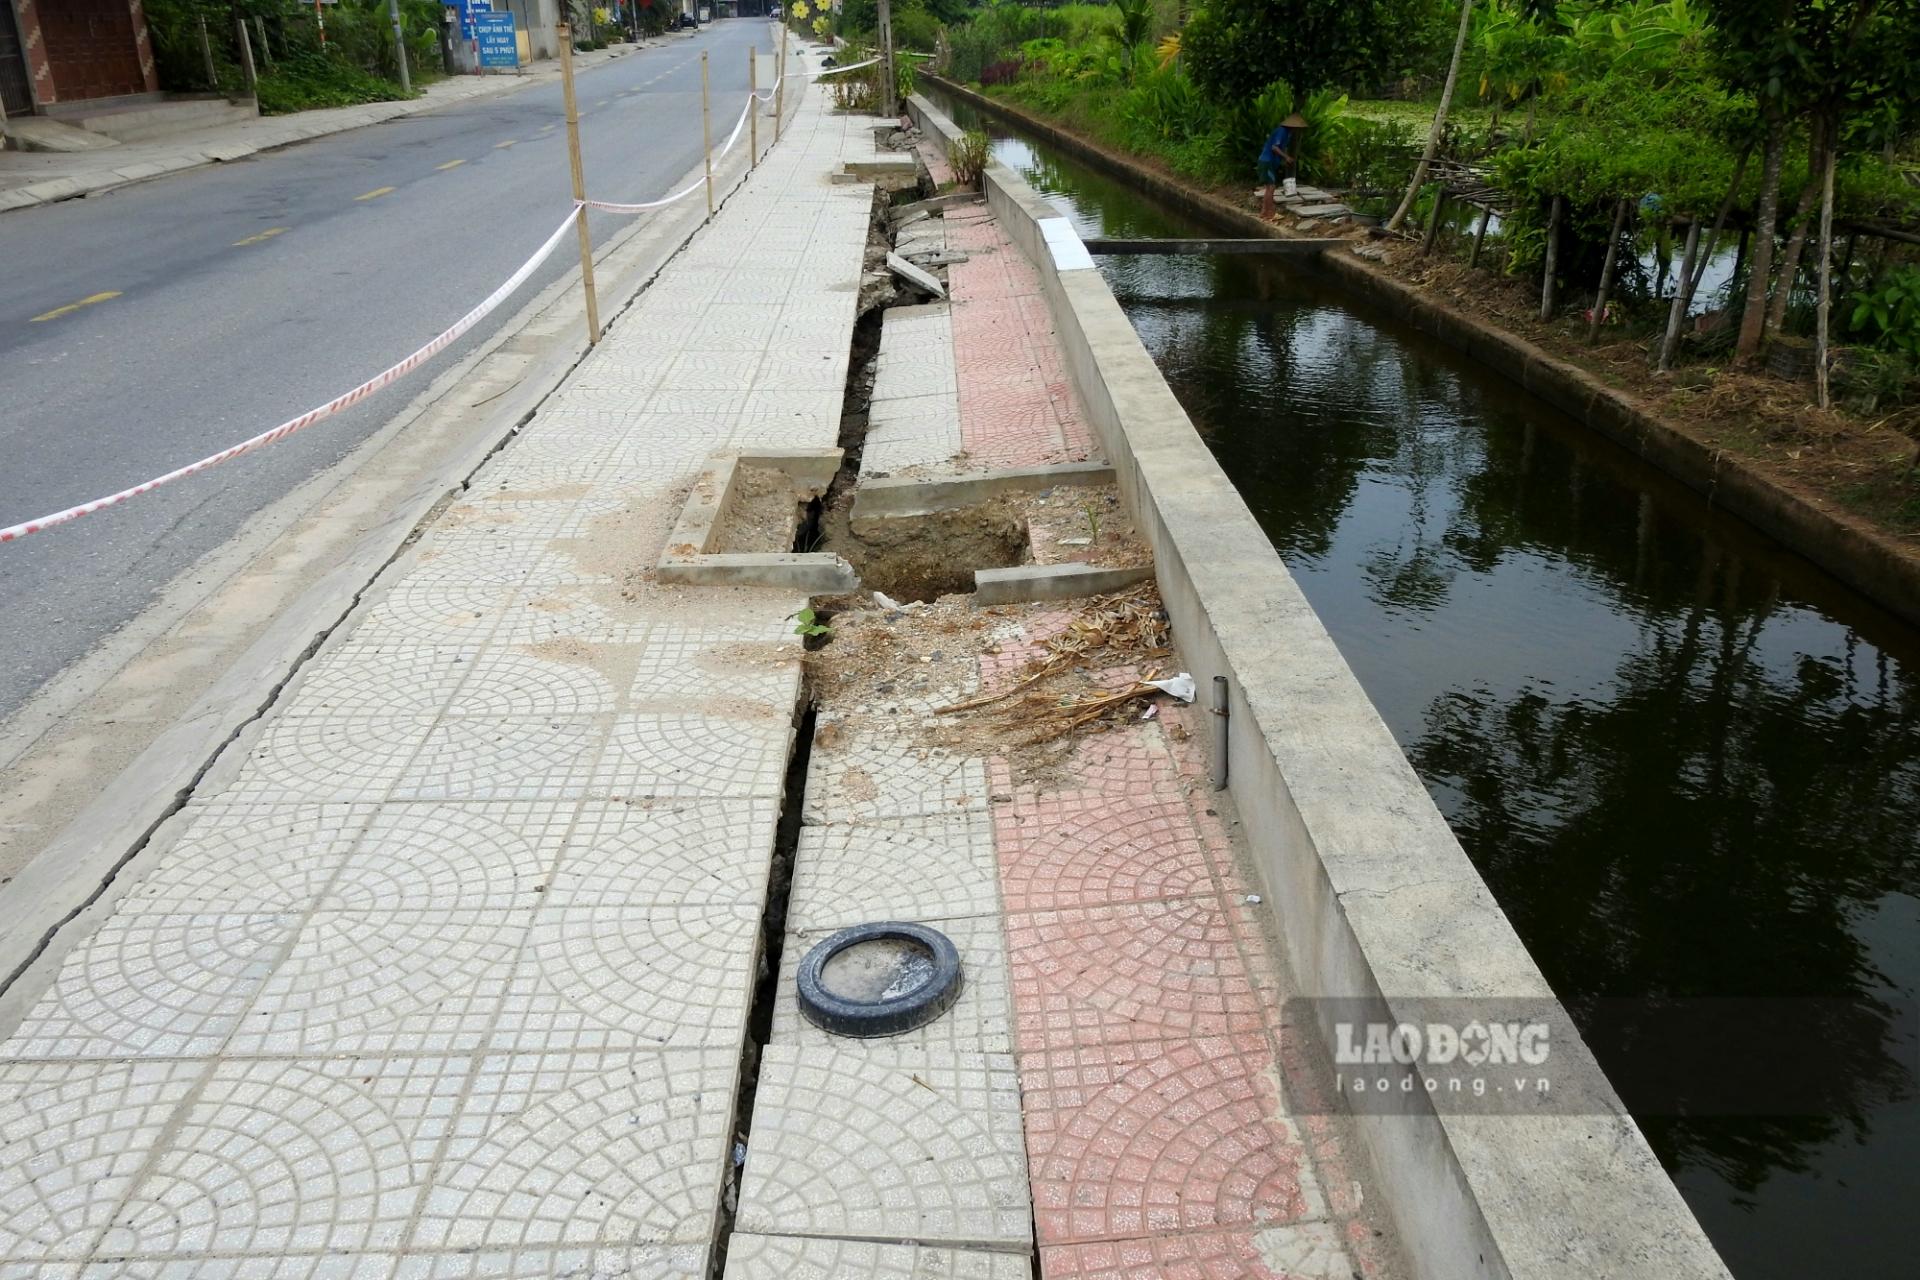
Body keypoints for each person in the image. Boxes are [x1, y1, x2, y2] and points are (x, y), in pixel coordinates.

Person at [1258, 112, 1308, 221]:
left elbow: (1280, 147)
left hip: (1269, 161)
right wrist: (1286, 157)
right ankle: (1269, 213)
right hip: (1267, 161)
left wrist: (1283, 159)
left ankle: (1264, 212)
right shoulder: (1282, 131)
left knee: (1269, 187)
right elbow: (1274, 148)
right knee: (1270, 188)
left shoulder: (1286, 133)